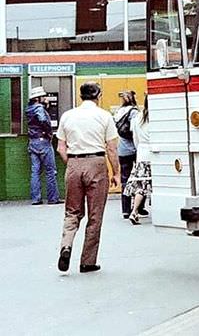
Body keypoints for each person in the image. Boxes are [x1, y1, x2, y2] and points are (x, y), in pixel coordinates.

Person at [55, 81, 120, 274]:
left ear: (81, 95)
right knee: (95, 214)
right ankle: (87, 261)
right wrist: (116, 172)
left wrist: (73, 164)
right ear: (98, 95)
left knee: (72, 211)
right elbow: (111, 148)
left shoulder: (67, 115)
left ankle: (66, 245)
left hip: (74, 164)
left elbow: (61, 148)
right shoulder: (104, 116)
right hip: (97, 164)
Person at [27, 86, 62, 205]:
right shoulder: (39, 108)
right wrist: (49, 132)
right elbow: (42, 120)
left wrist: (46, 106)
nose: (45, 98)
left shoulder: (30, 108)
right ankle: (53, 198)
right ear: (38, 98)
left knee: (35, 171)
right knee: (50, 171)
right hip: (43, 142)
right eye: (43, 96)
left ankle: (36, 198)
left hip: (32, 142)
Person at [124, 99, 151, 225]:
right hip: (153, 154)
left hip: (141, 153)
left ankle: (134, 211)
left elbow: (135, 138)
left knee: (141, 185)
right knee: (154, 184)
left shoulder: (137, 118)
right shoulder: (155, 117)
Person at [115, 90, 140, 219]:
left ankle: (125, 209)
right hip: (133, 149)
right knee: (138, 177)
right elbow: (135, 130)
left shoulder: (118, 112)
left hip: (122, 150)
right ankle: (139, 207)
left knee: (125, 178)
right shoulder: (134, 112)